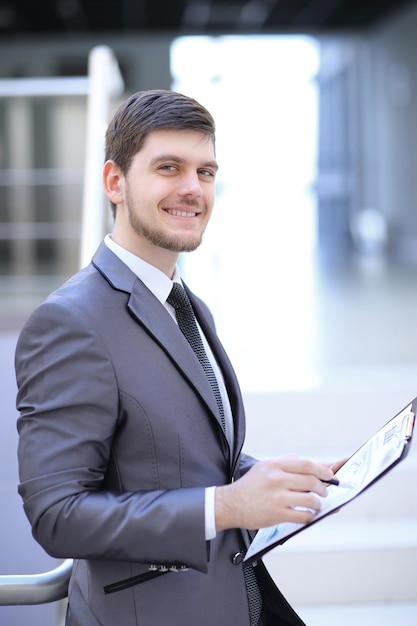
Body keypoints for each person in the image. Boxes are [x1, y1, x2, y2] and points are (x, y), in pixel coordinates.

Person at [15, 89, 340, 626]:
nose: (193, 189)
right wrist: (228, 506)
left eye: (205, 172)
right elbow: (57, 517)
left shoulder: (187, 305)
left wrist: (274, 479)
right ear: (114, 182)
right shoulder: (70, 322)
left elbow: (180, 458)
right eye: (169, 167)